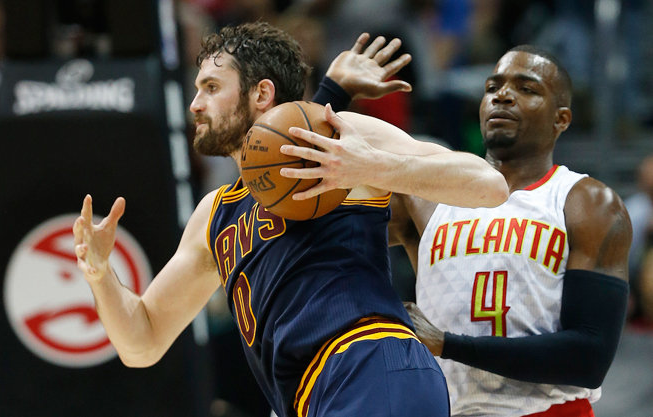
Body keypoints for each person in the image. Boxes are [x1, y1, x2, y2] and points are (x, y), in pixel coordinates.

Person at [73, 22, 509, 417]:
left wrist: (369, 167)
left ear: (260, 93)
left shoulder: (337, 138)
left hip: (367, 361)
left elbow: (488, 185)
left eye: (209, 87)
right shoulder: (213, 214)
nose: (194, 105)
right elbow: (143, 341)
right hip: (301, 399)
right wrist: (99, 273)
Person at [280, 45, 632, 416]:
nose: (503, 95)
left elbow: (588, 359)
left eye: (526, 89)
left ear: (561, 119)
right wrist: (334, 92)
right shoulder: (425, 196)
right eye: (493, 86)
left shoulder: (586, 201)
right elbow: (297, 206)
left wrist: (448, 344)